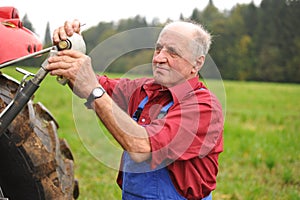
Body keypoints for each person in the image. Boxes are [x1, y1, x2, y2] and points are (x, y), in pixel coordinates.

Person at [47, 19, 224, 200]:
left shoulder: (203, 107)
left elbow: (142, 148)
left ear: (197, 63)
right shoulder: (143, 90)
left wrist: (93, 90)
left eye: (173, 52)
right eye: (158, 48)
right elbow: (88, 83)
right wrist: (71, 51)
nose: (158, 58)